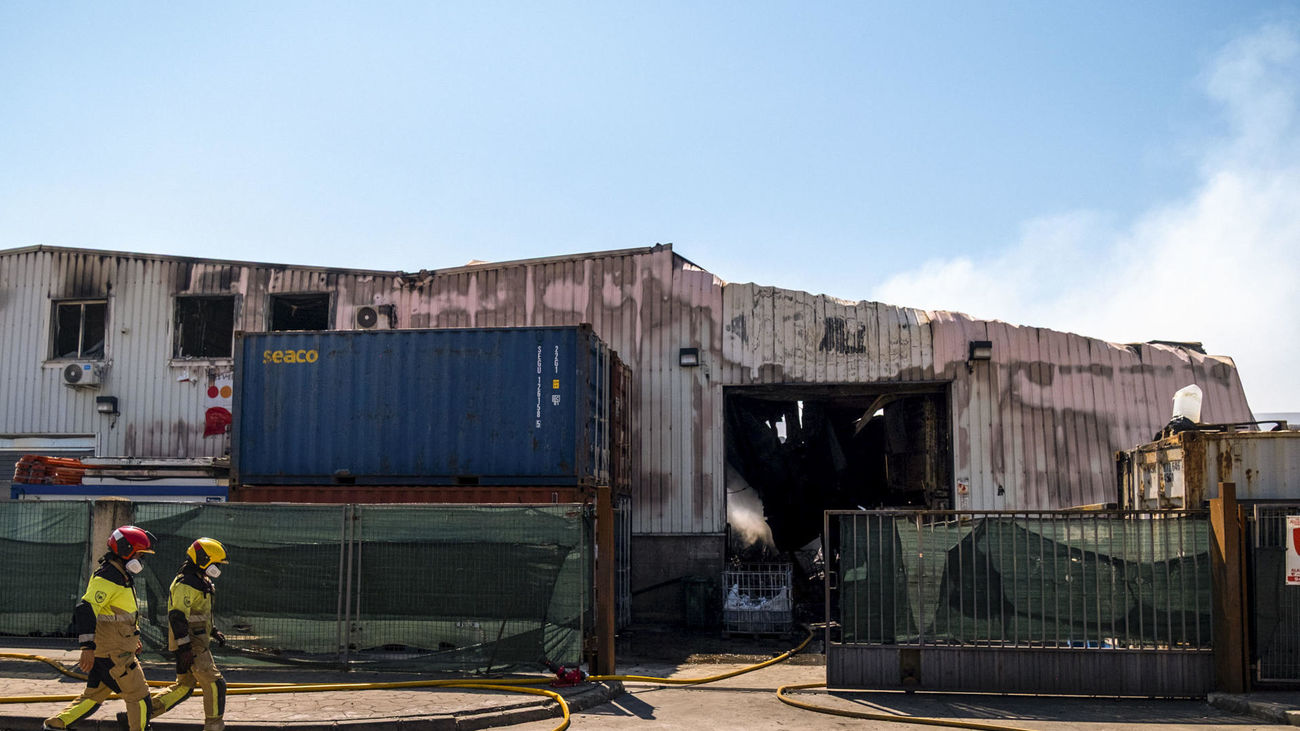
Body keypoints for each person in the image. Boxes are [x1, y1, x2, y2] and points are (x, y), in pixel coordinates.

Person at [43, 525, 157, 731]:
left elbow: (119, 613)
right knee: (139, 697)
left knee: (93, 696)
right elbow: (86, 609)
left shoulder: (119, 574)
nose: (141, 560)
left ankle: (55, 726)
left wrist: (133, 638)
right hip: (114, 655)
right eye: (140, 554)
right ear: (125, 551)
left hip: (112, 651)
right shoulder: (109, 576)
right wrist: (87, 648)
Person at [147, 537, 230, 731]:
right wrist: (185, 649)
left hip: (194, 641)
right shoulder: (186, 583)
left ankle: (140, 713)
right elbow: (177, 617)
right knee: (215, 683)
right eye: (216, 563)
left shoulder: (201, 580)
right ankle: (214, 726)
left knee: (184, 687)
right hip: (190, 644)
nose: (218, 568)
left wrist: (213, 630)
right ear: (204, 559)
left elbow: (199, 613)